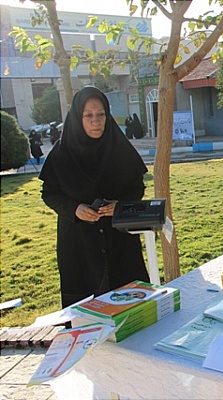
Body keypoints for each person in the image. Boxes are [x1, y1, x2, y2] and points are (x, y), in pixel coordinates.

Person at [39, 86, 150, 308]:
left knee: (130, 306)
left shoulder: (120, 148)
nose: (95, 122)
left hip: (119, 241)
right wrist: (74, 209)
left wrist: (120, 205)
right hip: (79, 244)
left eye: (101, 114)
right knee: (87, 312)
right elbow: (50, 193)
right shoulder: (62, 153)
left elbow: (137, 186)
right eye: (88, 116)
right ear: (77, 117)